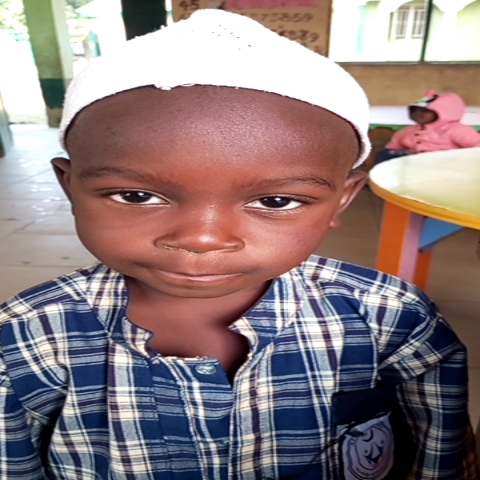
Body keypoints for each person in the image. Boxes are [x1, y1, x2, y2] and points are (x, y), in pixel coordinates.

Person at [0, 10, 477, 480]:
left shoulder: (392, 320)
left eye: (275, 201)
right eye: (136, 195)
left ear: (343, 199)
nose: (201, 238)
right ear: (69, 187)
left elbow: (440, 460)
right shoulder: (25, 339)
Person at [375, 91, 480, 163]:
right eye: (415, 111)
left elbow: (477, 146)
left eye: (425, 111)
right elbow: (394, 147)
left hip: (446, 163)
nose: (418, 114)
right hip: (415, 160)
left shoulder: (457, 130)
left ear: (445, 113)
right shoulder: (407, 131)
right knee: (384, 155)